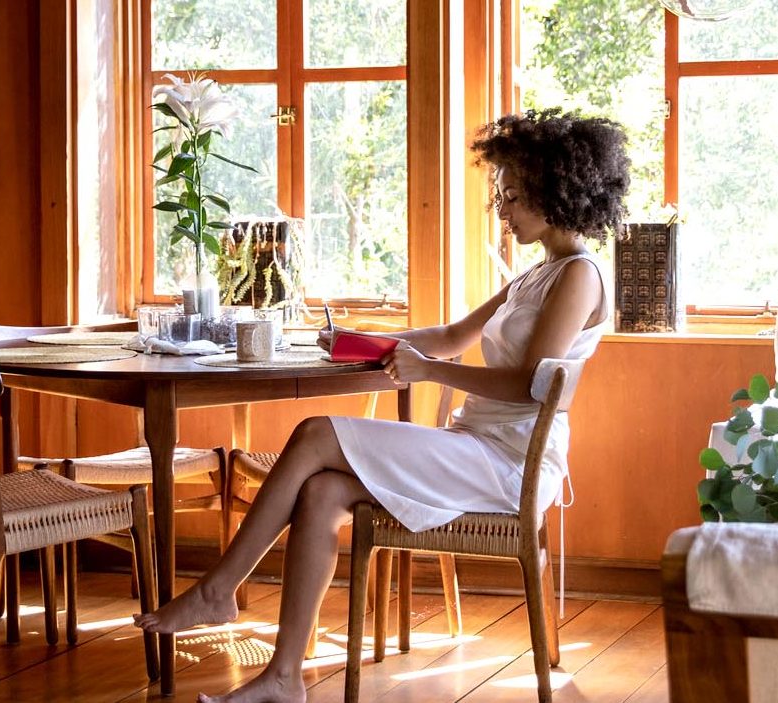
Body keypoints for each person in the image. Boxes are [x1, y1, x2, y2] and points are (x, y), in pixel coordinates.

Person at [132, 109, 630, 703]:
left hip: (510, 463)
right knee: (321, 493)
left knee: (315, 432)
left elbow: (528, 385)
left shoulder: (580, 276)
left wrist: (428, 372)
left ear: (555, 193)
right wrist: (354, 341)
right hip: (473, 447)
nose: (502, 209)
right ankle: (284, 678)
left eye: (514, 196)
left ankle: (219, 589)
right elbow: (446, 336)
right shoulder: (536, 274)